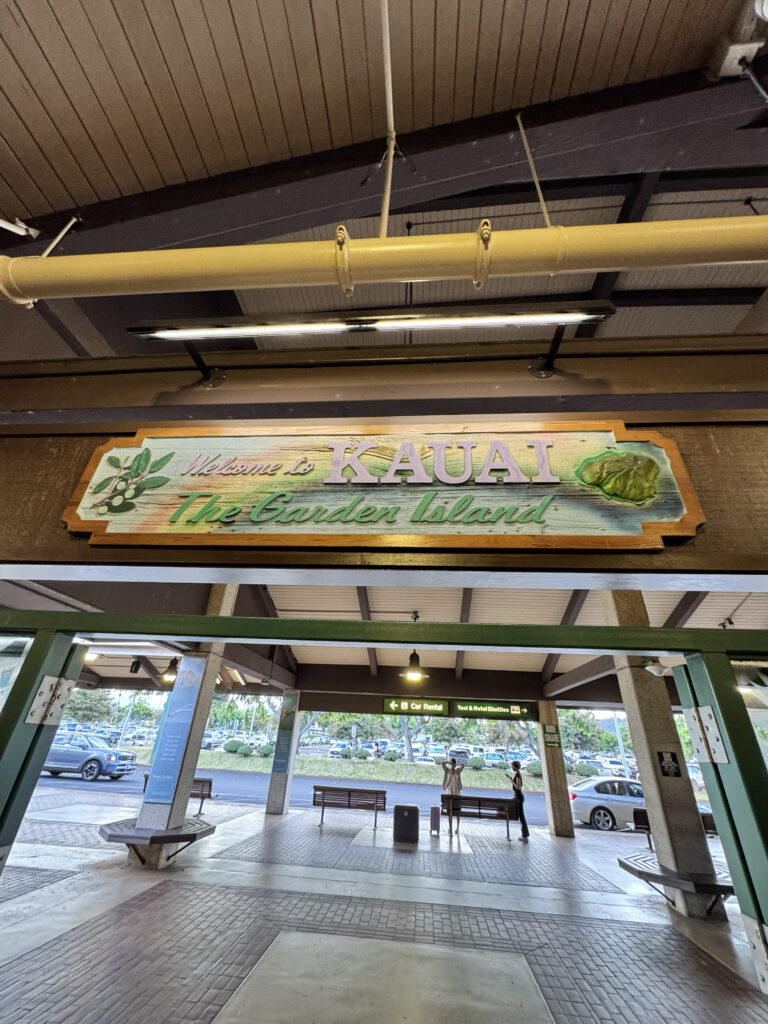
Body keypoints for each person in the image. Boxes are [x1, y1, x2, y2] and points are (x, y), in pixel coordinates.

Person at [505, 760, 530, 842]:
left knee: (522, 816)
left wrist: (511, 780)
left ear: (515, 767)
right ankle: (524, 835)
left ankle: (525, 835)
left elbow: (518, 787)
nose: (512, 767)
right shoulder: (517, 774)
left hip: (519, 797)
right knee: (521, 816)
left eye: (512, 766)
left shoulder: (518, 775)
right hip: (518, 796)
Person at [441, 757, 464, 833]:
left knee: (457, 811)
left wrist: (458, 762)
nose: (453, 765)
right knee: (449, 811)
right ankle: (450, 826)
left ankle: (457, 827)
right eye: (452, 764)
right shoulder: (447, 770)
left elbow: (463, 765)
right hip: (449, 791)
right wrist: (448, 762)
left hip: (457, 792)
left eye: (454, 764)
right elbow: (442, 763)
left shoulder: (458, 771)